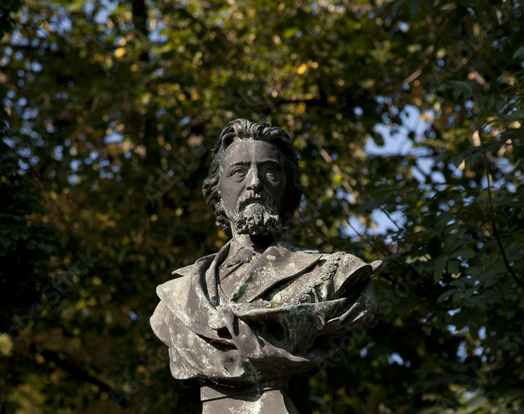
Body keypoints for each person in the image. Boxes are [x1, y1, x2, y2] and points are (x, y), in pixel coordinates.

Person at [150, 118, 380, 388]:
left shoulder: (337, 274)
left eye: (270, 171)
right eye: (239, 172)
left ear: (288, 188)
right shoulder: (179, 295)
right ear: (217, 192)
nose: (255, 183)